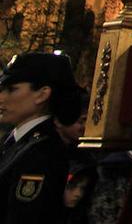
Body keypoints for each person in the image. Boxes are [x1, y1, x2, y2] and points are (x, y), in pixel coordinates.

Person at [0, 53, 84, 222]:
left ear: (42, 94)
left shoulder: (42, 152)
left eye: (12, 89)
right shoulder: (15, 141)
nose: (1, 97)